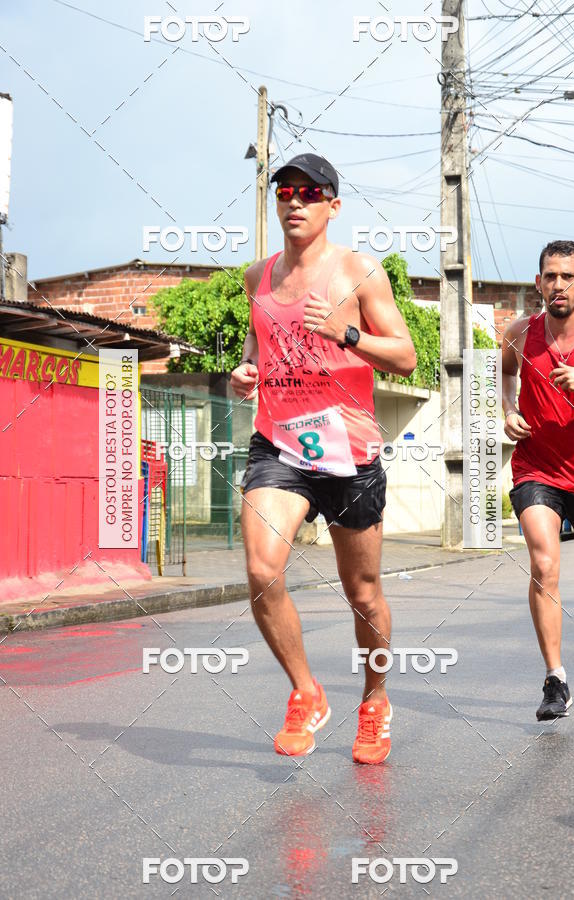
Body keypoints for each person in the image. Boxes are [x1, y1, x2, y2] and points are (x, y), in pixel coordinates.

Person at [230, 153, 416, 763]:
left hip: (349, 449)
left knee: (362, 592)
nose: (295, 202)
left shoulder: (360, 272)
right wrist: (245, 372)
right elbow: (260, 345)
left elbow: (407, 357)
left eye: (310, 194)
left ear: (333, 206)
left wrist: (346, 334)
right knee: (262, 570)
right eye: (285, 192)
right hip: (280, 442)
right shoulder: (258, 274)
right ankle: (306, 692)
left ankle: (374, 700)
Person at [502, 240, 574, 721]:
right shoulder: (521, 332)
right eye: (549, 276)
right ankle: (555, 679)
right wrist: (507, 409)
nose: (557, 285)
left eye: (567, 276)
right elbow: (504, 373)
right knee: (544, 562)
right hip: (537, 466)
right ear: (539, 282)